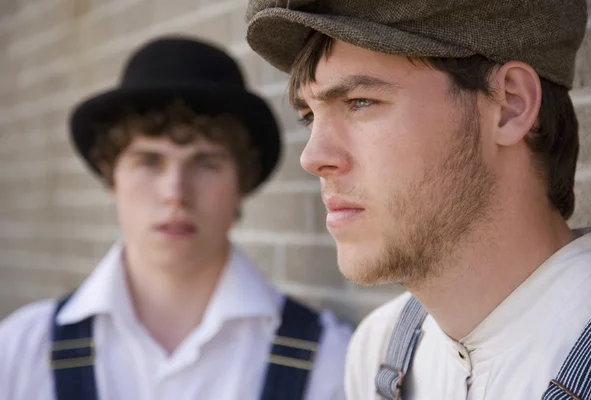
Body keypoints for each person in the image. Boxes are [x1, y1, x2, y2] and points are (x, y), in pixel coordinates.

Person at [244, 1, 591, 399]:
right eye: (309, 115)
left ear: (509, 106)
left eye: (360, 102)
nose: (312, 158)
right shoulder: (379, 351)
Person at [0, 35, 353, 400]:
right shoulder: (20, 353)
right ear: (112, 178)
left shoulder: (330, 361)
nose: (175, 193)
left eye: (205, 163)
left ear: (241, 184)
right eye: (149, 161)